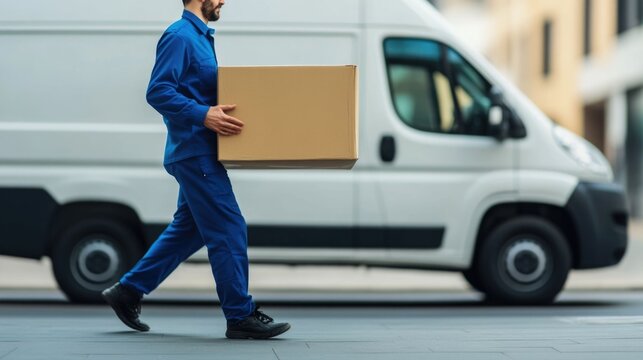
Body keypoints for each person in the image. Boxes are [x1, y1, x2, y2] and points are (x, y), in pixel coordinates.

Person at [102, 0, 291, 340]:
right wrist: (203, 114)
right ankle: (240, 314)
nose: (223, 1)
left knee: (189, 230)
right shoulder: (179, 36)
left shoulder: (201, 37)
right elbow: (158, 90)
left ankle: (128, 290)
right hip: (195, 153)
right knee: (229, 228)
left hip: (199, 151)